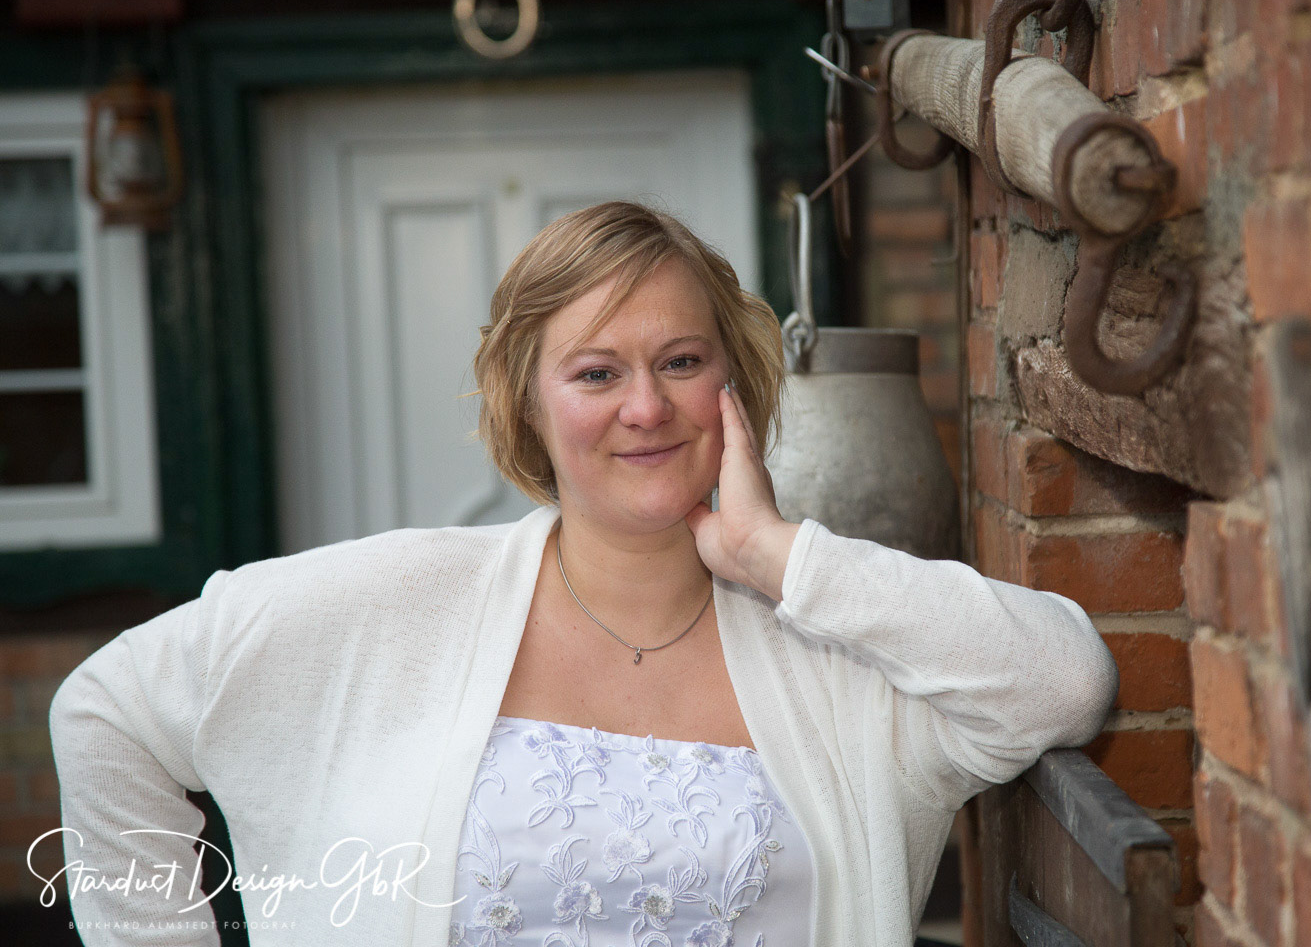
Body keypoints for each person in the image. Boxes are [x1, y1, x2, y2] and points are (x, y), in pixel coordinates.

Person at [48, 201, 1119, 947]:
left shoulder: (840, 660)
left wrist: (776, 553)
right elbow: (105, 711)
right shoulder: (390, 604)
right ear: (529, 404)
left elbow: (1063, 679)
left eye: (682, 363)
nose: (644, 406)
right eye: (597, 371)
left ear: (734, 391)